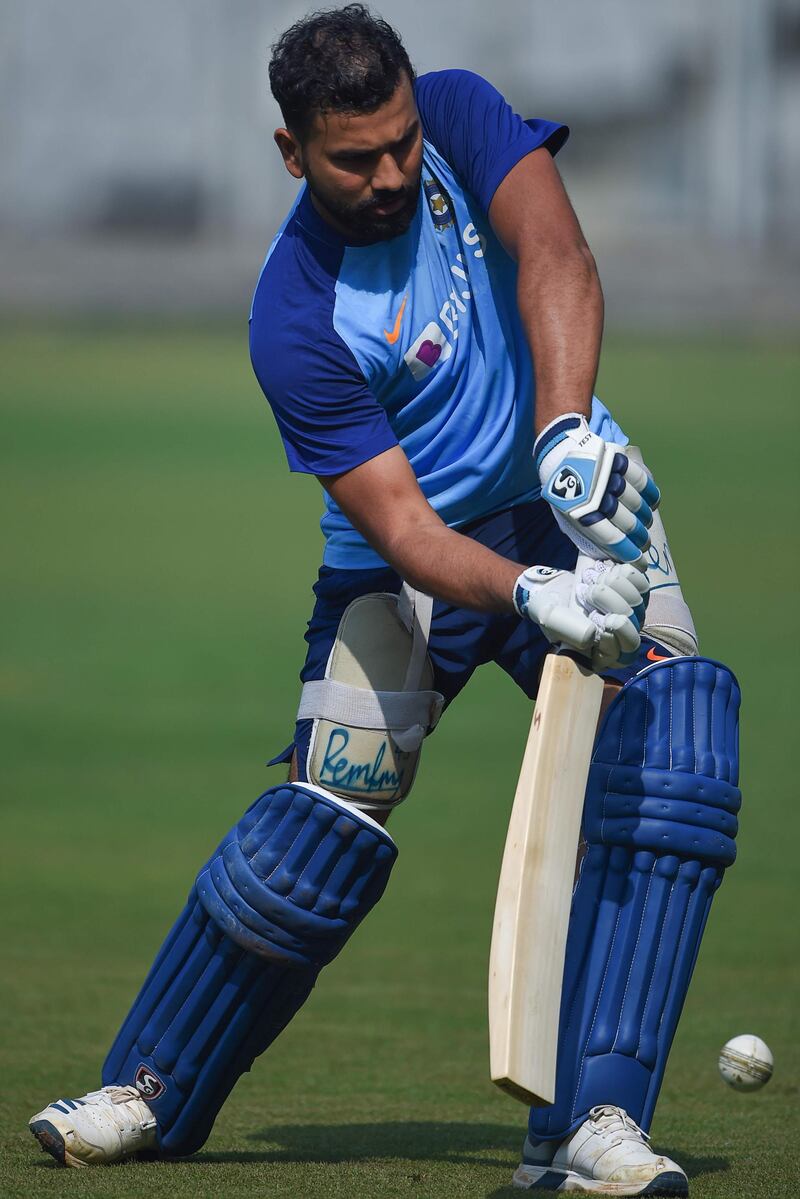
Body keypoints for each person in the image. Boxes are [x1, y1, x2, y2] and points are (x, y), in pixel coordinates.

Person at [29, 6, 741, 1194]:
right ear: (290, 151)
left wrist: (564, 427)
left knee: (676, 745)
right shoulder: (293, 316)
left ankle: (589, 1127)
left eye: (400, 142)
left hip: (573, 504)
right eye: (355, 157)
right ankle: (142, 1089)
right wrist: (530, 594)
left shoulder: (457, 112)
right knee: (319, 831)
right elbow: (406, 531)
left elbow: (557, 255)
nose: (393, 172)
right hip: (416, 564)